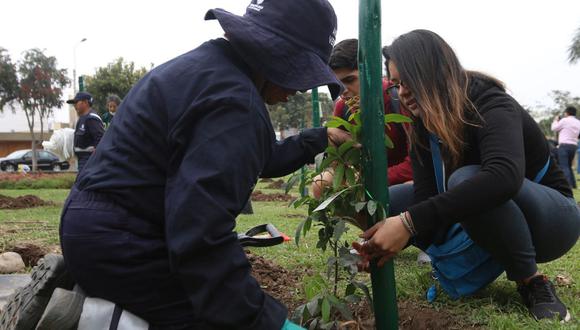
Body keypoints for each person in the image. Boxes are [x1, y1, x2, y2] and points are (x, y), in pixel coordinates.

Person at [54, 1, 347, 329]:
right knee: (209, 316)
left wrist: (318, 139)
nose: (300, 89)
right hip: (122, 243)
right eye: (301, 73)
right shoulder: (234, 102)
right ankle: (101, 321)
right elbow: (200, 236)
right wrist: (266, 322)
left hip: (98, 229)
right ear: (276, 54)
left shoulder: (209, 70)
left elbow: (252, 157)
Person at [354, 30, 580, 322]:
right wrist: (384, 243)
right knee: (388, 200)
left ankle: (531, 281)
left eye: (409, 80)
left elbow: (503, 177)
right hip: (493, 216)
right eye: (396, 84)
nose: (403, 92)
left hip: (551, 221)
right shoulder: (424, 127)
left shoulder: (489, 101)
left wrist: (409, 223)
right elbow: (426, 200)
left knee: (466, 179)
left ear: (435, 71)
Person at [311, 39, 413, 199]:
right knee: (321, 184)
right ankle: (370, 225)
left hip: (402, 180)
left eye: (350, 80)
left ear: (372, 73)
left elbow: (416, 164)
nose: (343, 91)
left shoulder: (398, 98)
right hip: (365, 180)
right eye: (337, 84)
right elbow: (338, 161)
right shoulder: (342, 108)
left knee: (405, 190)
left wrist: (371, 179)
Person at [66, 91, 105, 172]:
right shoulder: (82, 119)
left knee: (84, 184)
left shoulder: (92, 118)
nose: (74, 105)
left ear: (85, 102)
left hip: (89, 161)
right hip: (81, 161)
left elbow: (101, 140)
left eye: (76, 102)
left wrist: (95, 160)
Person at [551, 106, 580, 188]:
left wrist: (555, 120)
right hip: (574, 145)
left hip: (564, 145)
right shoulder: (578, 122)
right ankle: (573, 184)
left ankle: (568, 185)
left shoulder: (564, 120)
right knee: (569, 166)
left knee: (564, 166)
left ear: (567, 113)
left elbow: (554, 128)